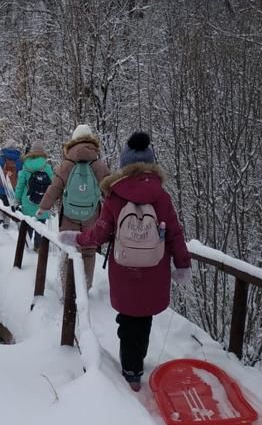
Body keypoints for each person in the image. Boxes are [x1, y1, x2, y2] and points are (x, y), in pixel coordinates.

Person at [61, 131, 192, 392]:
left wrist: (77, 238)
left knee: (128, 319)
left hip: (125, 270)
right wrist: (183, 264)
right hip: (154, 271)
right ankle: (136, 364)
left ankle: (130, 369)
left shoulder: (115, 196)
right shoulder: (162, 197)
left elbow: (100, 233)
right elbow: (175, 233)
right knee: (144, 320)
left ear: (124, 164)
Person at [38, 124, 111, 289]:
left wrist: (44, 207)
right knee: (89, 251)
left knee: (70, 252)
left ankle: (68, 290)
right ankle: (85, 288)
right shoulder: (99, 165)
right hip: (92, 217)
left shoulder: (67, 163)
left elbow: (55, 187)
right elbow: (110, 192)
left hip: (69, 216)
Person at [14, 144, 55, 249]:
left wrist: (17, 200)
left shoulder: (25, 167)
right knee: (40, 228)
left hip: (27, 204)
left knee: (27, 226)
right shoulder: (48, 168)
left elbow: (20, 186)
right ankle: (38, 248)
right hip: (43, 204)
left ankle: (25, 249)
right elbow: (53, 187)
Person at [0, 146, 23, 227]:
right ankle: (7, 221)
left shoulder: (1, 158)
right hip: (12, 188)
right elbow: (22, 171)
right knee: (8, 204)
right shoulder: (18, 161)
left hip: (0, 186)